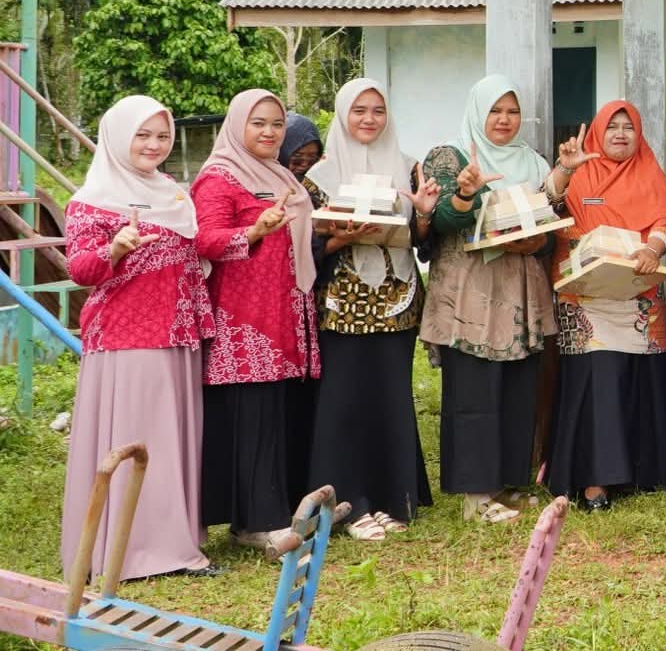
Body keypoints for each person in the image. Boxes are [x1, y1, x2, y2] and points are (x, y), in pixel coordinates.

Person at [60, 96, 218, 580]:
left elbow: (197, 252)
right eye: (143, 135)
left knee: (171, 439)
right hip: (128, 337)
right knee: (138, 441)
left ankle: (175, 542)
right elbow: (80, 269)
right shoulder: (93, 199)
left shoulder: (171, 192)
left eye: (162, 135)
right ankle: (131, 553)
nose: (154, 145)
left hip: (176, 330)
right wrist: (114, 248)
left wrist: (251, 233)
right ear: (117, 137)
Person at [419, 76, 559, 524]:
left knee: (518, 386)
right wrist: (464, 193)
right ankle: (476, 495)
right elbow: (439, 222)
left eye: (512, 111)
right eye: (495, 111)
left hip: (519, 286)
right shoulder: (449, 155)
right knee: (474, 389)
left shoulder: (533, 162)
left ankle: (508, 484)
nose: (504, 120)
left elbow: (548, 223)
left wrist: (535, 242)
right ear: (478, 111)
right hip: (469, 290)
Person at [305, 78, 438, 541]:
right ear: (343, 114)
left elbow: (425, 241)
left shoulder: (409, 168)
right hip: (342, 303)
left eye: (377, 110)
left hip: (397, 300)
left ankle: (391, 497)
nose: (368, 118)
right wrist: (344, 235)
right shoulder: (319, 176)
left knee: (390, 398)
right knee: (344, 404)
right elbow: (310, 247)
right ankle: (349, 504)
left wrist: (421, 212)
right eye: (359, 109)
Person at [192, 88, 319, 551]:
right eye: (258, 123)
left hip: (282, 311)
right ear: (237, 125)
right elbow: (204, 240)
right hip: (242, 319)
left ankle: (262, 517)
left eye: (276, 124)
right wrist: (253, 232)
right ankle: (257, 524)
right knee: (251, 419)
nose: (269, 132)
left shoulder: (281, 174)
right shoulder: (219, 178)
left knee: (274, 415)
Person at [548, 101, 666, 510]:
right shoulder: (578, 170)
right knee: (598, 382)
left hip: (640, 290)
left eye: (629, 127)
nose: (620, 134)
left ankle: (645, 472)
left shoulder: (651, 172)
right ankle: (595, 483)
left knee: (643, 378)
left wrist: (653, 249)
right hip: (586, 296)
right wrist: (565, 169)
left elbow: (665, 221)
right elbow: (547, 204)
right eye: (612, 127)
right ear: (597, 133)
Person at [280, 112, 323, 180]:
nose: (304, 166)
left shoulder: (320, 183)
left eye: (311, 161)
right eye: (297, 161)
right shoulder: (263, 180)